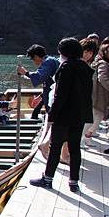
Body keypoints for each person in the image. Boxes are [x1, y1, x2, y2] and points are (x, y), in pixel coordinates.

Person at [30, 38, 94, 192]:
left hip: (64, 115)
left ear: (65, 52)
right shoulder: (85, 67)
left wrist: (52, 115)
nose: (59, 55)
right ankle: (73, 182)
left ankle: (47, 178)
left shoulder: (65, 67)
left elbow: (60, 95)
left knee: (55, 147)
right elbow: (88, 94)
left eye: (60, 52)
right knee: (74, 148)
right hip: (79, 115)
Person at [83, 43, 109, 146]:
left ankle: (87, 137)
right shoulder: (103, 64)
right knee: (96, 117)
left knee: (96, 117)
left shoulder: (99, 62)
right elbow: (102, 78)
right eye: (108, 51)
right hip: (98, 94)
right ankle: (82, 138)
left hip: (96, 94)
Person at [17, 44, 60, 119]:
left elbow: (39, 77)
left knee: (52, 119)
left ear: (36, 56)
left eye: (32, 58)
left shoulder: (48, 62)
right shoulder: (53, 60)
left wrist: (25, 73)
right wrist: (40, 96)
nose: (33, 61)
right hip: (53, 96)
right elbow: (50, 83)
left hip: (54, 99)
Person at [79, 38, 99, 147]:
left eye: (90, 52)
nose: (87, 55)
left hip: (88, 98)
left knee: (88, 121)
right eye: (85, 51)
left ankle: (82, 140)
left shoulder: (89, 65)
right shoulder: (75, 64)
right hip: (78, 99)